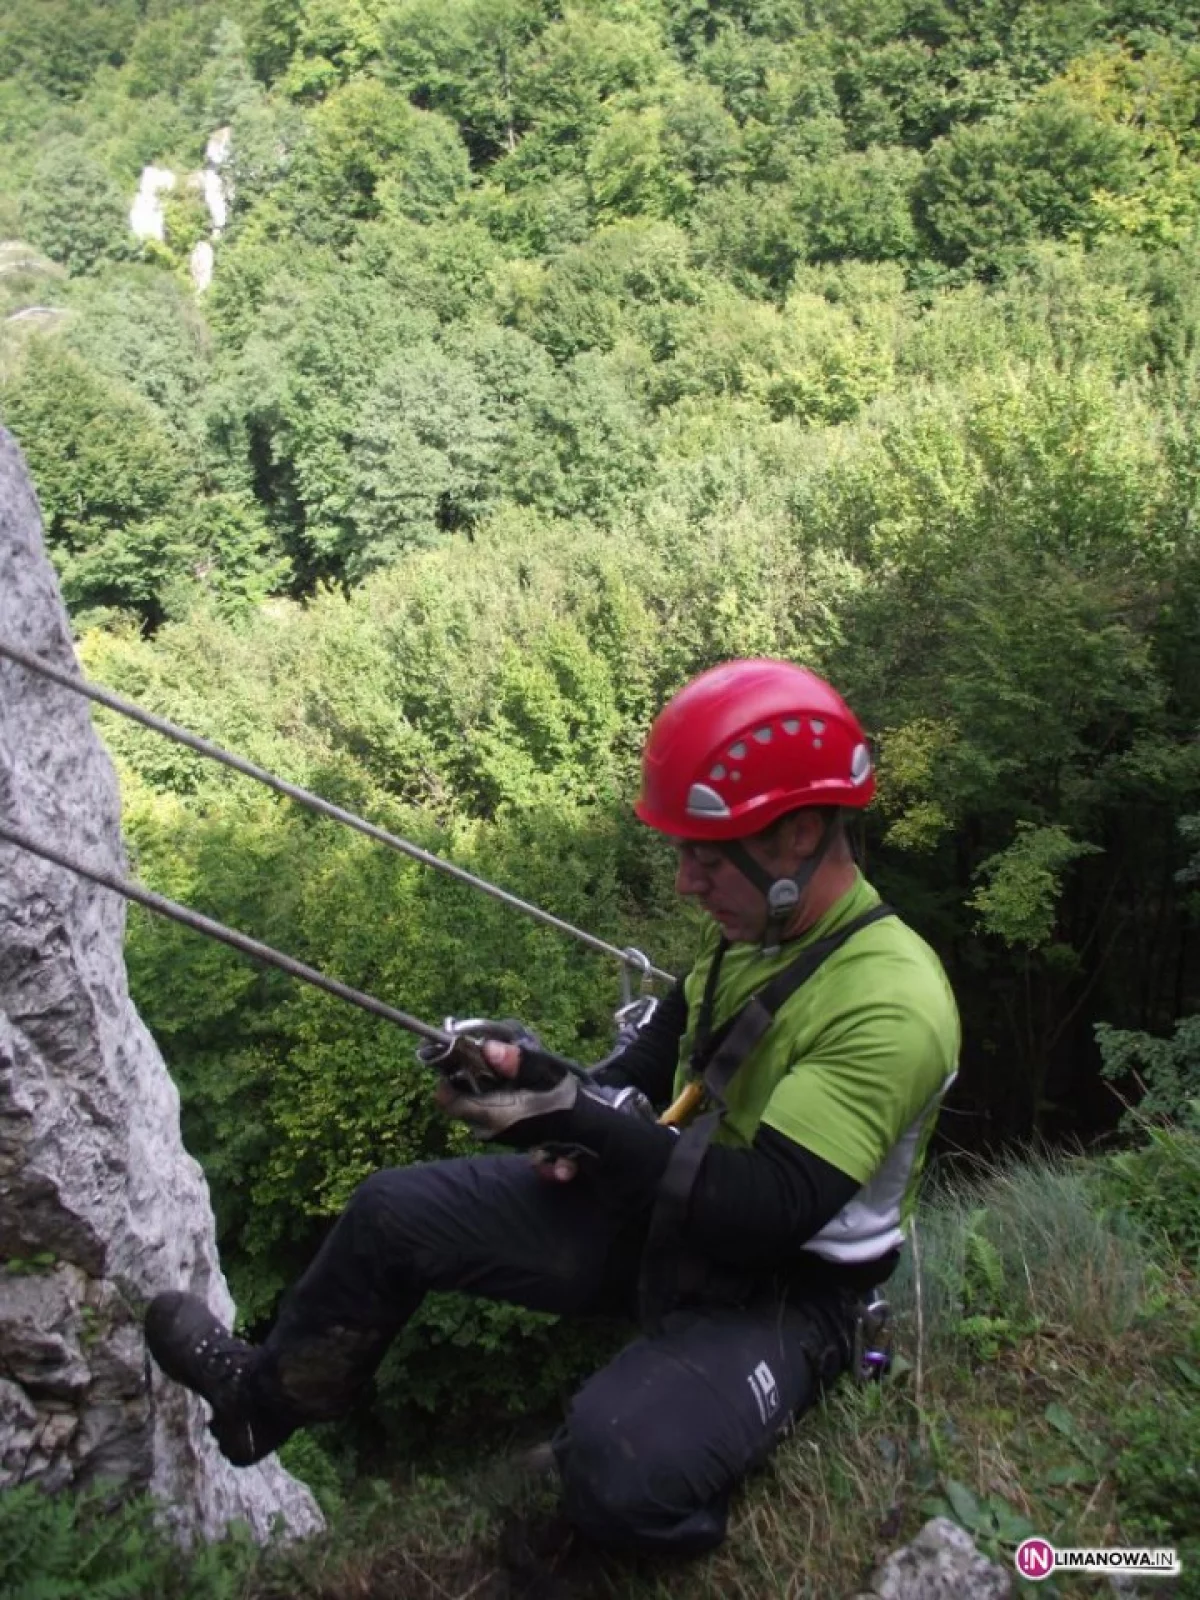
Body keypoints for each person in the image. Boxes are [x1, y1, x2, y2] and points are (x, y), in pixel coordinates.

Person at [145, 659, 959, 1555]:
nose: (687, 882)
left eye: (702, 853)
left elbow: (768, 1212)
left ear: (797, 835)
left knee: (618, 1472)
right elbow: (654, 1058)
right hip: (679, 1224)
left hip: (791, 1291)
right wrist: (545, 1081)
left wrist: (578, 1119)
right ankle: (263, 1405)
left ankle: (673, 1468)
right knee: (391, 1215)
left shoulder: (891, 1002)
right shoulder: (759, 932)